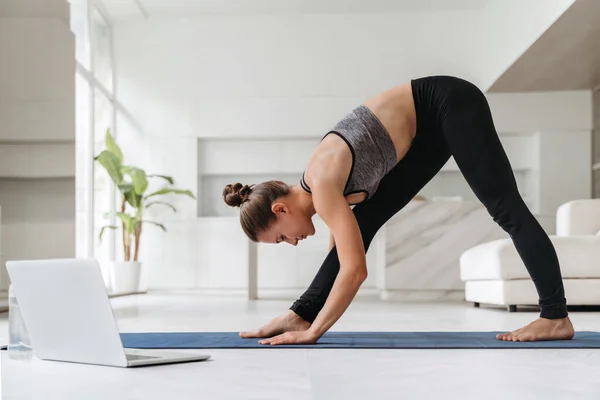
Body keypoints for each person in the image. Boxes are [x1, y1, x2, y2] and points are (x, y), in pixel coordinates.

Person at [222, 75, 575, 345]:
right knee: (365, 221)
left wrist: (314, 331)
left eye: (282, 237)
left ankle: (555, 316)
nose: (293, 242)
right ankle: (297, 315)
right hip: (425, 131)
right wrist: (302, 313)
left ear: (280, 208)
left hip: (447, 103)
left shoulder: (324, 179)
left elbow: (354, 270)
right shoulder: (324, 191)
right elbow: (344, 249)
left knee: (505, 209)